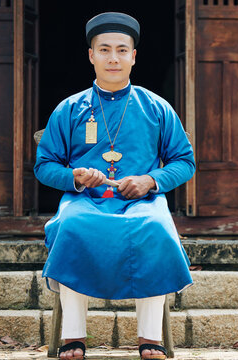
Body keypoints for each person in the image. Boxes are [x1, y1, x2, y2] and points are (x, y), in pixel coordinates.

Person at [34, 12, 195, 360]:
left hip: (142, 202)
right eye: (104, 50)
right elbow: (44, 166)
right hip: (86, 202)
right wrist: (74, 177)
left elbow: (185, 161)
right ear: (91, 55)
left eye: (122, 50)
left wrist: (151, 180)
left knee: (154, 227)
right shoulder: (69, 109)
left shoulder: (156, 108)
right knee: (71, 226)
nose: (113, 58)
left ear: (134, 56)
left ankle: (150, 339)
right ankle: (73, 338)